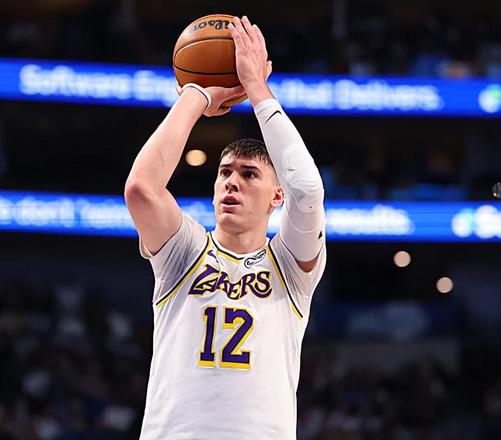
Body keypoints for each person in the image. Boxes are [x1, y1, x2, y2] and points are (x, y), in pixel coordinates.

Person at [125, 16, 326, 439]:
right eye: (224, 173)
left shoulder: (290, 266)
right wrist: (197, 95)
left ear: (276, 196)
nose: (232, 182)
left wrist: (257, 89)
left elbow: (307, 190)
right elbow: (141, 189)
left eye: (249, 175)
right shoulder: (185, 252)